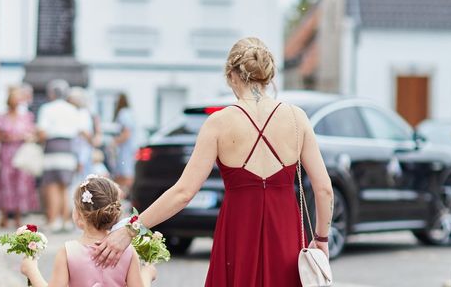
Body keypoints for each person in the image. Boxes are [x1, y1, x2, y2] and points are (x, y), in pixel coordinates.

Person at [93, 37, 334, 286]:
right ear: (269, 75)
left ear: (231, 75)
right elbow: (324, 189)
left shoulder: (219, 123)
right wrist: (322, 239)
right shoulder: (297, 119)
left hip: (238, 234)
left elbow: (183, 193)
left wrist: (132, 228)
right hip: (284, 230)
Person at [20, 175, 156, 287]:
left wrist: (32, 271)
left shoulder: (68, 252)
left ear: (78, 215)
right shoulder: (127, 251)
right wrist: (147, 274)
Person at [37, 79, 84, 232]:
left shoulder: (47, 108)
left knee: (52, 186)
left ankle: (53, 220)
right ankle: (66, 221)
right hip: (69, 149)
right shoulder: (72, 110)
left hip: (52, 147)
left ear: (51, 93)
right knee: (66, 186)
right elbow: (79, 132)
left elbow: (42, 132)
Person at [0, 87, 40, 229]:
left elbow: (34, 134)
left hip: (22, 154)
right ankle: (4, 216)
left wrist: (27, 137)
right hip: (7, 153)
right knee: (5, 183)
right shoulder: (1, 118)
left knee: (21, 184)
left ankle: (19, 216)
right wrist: (8, 137)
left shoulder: (27, 117)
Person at [112, 93, 137, 194]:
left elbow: (126, 133)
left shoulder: (123, 113)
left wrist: (114, 142)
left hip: (125, 150)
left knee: (124, 175)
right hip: (131, 149)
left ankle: (123, 196)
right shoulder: (130, 113)